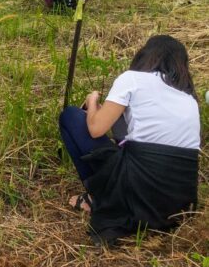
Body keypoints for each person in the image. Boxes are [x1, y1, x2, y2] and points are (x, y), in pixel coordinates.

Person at [59, 35, 200, 244]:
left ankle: (99, 197)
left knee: (70, 116)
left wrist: (93, 101)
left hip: (136, 193)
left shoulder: (132, 79)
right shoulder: (189, 98)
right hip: (176, 205)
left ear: (146, 56)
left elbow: (96, 129)